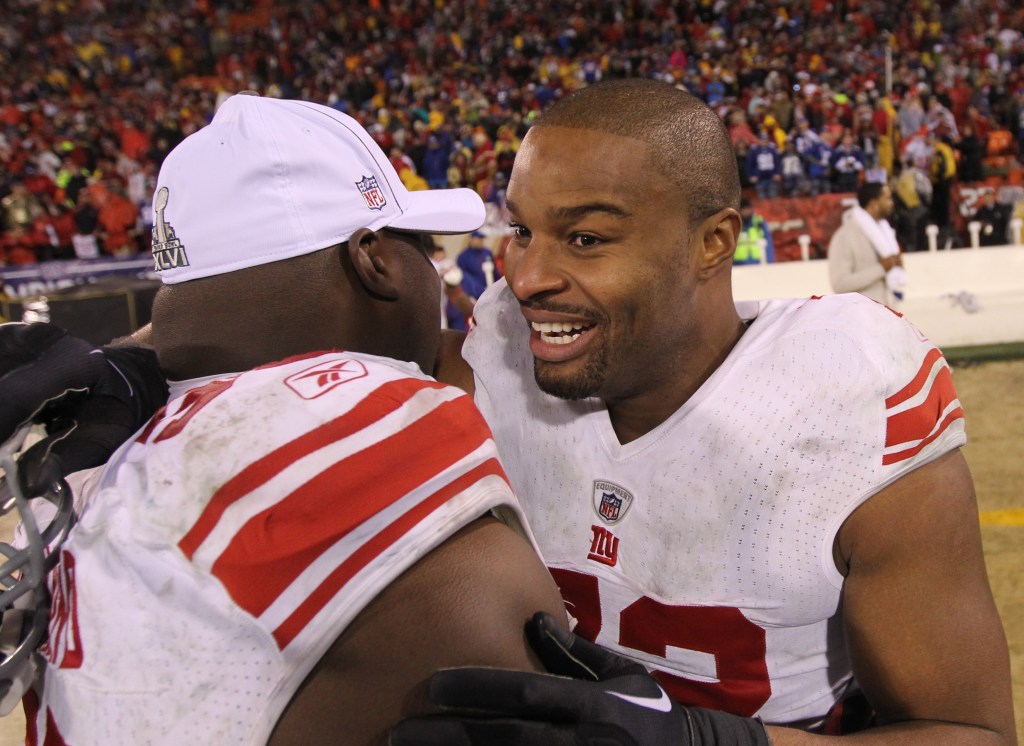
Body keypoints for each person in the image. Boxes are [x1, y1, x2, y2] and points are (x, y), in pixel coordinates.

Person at [0, 82, 1016, 745]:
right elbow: (301, 334)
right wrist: (138, 369)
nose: (526, 276)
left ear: (714, 242)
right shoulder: (495, 357)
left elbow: (970, 733)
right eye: (520, 231)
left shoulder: (845, 393)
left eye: (585, 238)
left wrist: (716, 742)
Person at [2, 93, 569, 745]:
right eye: (420, 245)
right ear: (372, 258)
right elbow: (528, 679)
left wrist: (139, 359)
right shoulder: (372, 415)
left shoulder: (89, 462)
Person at [828, 181, 906, 305]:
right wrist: (881, 268)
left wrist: (894, 264)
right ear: (874, 204)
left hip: (885, 310)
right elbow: (839, 284)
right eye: (887, 198)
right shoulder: (845, 236)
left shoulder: (885, 232)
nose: (891, 203)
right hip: (860, 313)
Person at [455, 229, 501, 302]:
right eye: (478, 238)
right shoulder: (463, 257)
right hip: (473, 296)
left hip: (490, 291)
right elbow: (463, 278)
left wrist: (499, 287)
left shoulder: (487, 252)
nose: (480, 241)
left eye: (481, 238)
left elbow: (495, 272)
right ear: (471, 239)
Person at [732, 198, 774, 265]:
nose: (746, 212)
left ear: (751, 209)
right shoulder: (735, 225)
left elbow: (768, 243)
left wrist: (770, 262)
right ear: (739, 211)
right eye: (743, 210)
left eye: (747, 209)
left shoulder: (759, 223)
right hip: (738, 264)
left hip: (757, 263)